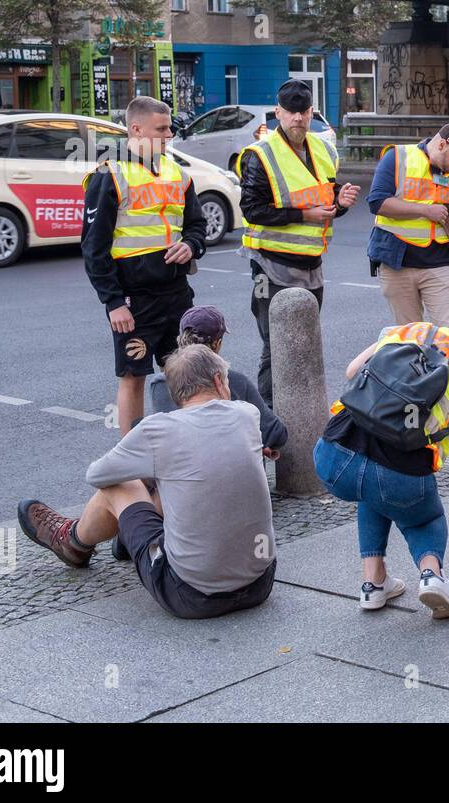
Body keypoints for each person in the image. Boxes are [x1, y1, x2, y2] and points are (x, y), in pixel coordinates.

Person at [17, 345, 277, 620]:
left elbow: (96, 475)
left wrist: (151, 467)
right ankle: (125, 536)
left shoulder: (158, 429)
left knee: (121, 485)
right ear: (217, 381)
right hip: (259, 584)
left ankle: (72, 542)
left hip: (191, 595)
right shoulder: (247, 414)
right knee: (187, 478)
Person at [314, 316, 449, 620]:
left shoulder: (417, 330)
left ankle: (373, 582)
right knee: (426, 516)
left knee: (372, 489)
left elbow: (353, 371)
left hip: (332, 456)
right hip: (400, 476)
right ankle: (432, 575)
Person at [82, 95, 207, 436]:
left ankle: (186, 445)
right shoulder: (110, 175)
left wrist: (191, 245)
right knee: (133, 377)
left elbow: (197, 225)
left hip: (177, 294)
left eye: (169, 127)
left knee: (185, 374)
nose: (169, 135)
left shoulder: (177, 174)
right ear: (136, 129)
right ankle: (132, 456)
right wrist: (113, 302)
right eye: (161, 129)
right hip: (134, 300)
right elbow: (94, 249)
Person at [242, 78, 359, 406]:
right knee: (275, 348)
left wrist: (341, 203)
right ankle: (267, 419)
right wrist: (305, 215)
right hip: (271, 265)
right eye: (290, 112)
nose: (297, 119)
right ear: (277, 112)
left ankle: (301, 414)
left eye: (303, 112)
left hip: (311, 266)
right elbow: (252, 211)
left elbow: (326, 201)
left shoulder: (323, 148)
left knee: (304, 344)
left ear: (311, 113)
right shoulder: (260, 155)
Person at [366, 121, 449, 328]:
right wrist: (425, 211)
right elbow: (377, 202)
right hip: (397, 261)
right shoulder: (398, 158)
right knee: (410, 337)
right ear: (442, 145)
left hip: (440, 260)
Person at [146, 305, 287, 454]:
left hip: (179, 468)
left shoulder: (160, 383)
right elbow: (276, 434)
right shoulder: (236, 381)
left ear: (180, 339)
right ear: (218, 343)